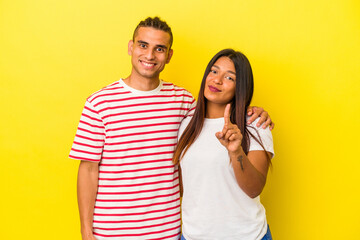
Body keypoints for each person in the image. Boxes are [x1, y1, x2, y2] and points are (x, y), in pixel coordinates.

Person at [70, 17, 274, 240]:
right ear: (131, 47)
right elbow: (88, 170)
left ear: (169, 55)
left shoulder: (183, 103)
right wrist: (86, 230)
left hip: (168, 232)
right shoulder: (99, 103)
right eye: (143, 45)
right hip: (113, 232)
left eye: (159, 49)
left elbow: (217, 112)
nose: (149, 56)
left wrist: (251, 112)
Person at [173, 49, 274, 240]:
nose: (217, 80)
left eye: (229, 78)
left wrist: (236, 152)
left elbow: (254, 189)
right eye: (214, 71)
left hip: (247, 236)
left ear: (240, 87)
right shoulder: (185, 124)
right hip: (193, 236)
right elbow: (186, 185)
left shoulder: (254, 124)